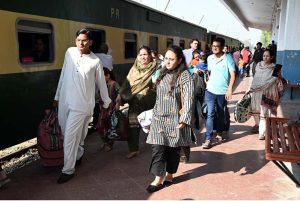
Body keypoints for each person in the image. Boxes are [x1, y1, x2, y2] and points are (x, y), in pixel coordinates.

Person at [53, 28, 111, 184]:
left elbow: (101, 83)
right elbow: (63, 74)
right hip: (65, 101)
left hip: (82, 105)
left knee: (71, 137)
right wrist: (57, 96)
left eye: (84, 40)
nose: (81, 43)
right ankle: (78, 154)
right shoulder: (69, 52)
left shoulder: (95, 61)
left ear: (90, 42)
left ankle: (68, 170)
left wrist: (106, 101)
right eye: (78, 39)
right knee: (68, 133)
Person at [146, 45, 194, 193]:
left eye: (171, 59)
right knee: (157, 148)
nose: (167, 61)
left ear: (179, 60)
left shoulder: (184, 75)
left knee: (173, 150)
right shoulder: (161, 72)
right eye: (166, 58)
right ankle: (158, 177)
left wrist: (185, 118)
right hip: (159, 118)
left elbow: (188, 98)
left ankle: (170, 174)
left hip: (175, 119)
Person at [116, 45, 157, 159]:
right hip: (135, 100)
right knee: (132, 124)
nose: (143, 57)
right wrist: (120, 94)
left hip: (150, 101)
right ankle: (134, 149)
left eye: (145, 54)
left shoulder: (156, 68)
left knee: (153, 125)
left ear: (150, 55)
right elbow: (126, 82)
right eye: (141, 55)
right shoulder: (134, 68)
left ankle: (159, 147)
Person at [202, 37, 236, 149]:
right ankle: (208, 138)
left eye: (217, 46)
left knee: (221, 112)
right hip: (210, 90)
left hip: (222, 91)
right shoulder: (210, 58)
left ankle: (219, 132)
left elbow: (233, 74)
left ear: (222, 47)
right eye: (213, 46)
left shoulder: (228, 58)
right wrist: (207, 80)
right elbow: (210, 71)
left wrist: (230, 88)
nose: (214, 48)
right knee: (210, 113)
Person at [250, 49, 284, 140]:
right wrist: (251, 88)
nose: (265, 57)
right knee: (256, 112)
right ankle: (260, 127)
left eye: (267, 56)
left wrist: (279, 76)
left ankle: (262, 133)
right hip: (257, 92)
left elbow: (278, 80)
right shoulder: (258, 65)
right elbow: (256, 77)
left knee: (264, 114)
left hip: (269, 93)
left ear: (271, 57)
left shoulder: (275, 67)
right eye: (264, 56)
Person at [97, 67, 120, 152]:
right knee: (100, 126)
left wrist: (117, 103)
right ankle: (105, 141)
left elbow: (120, 93)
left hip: (111, 109)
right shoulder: (103, 85)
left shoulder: (114, 84)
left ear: (108, 75)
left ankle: (109, 144)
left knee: (110, 127)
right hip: (103, 109)